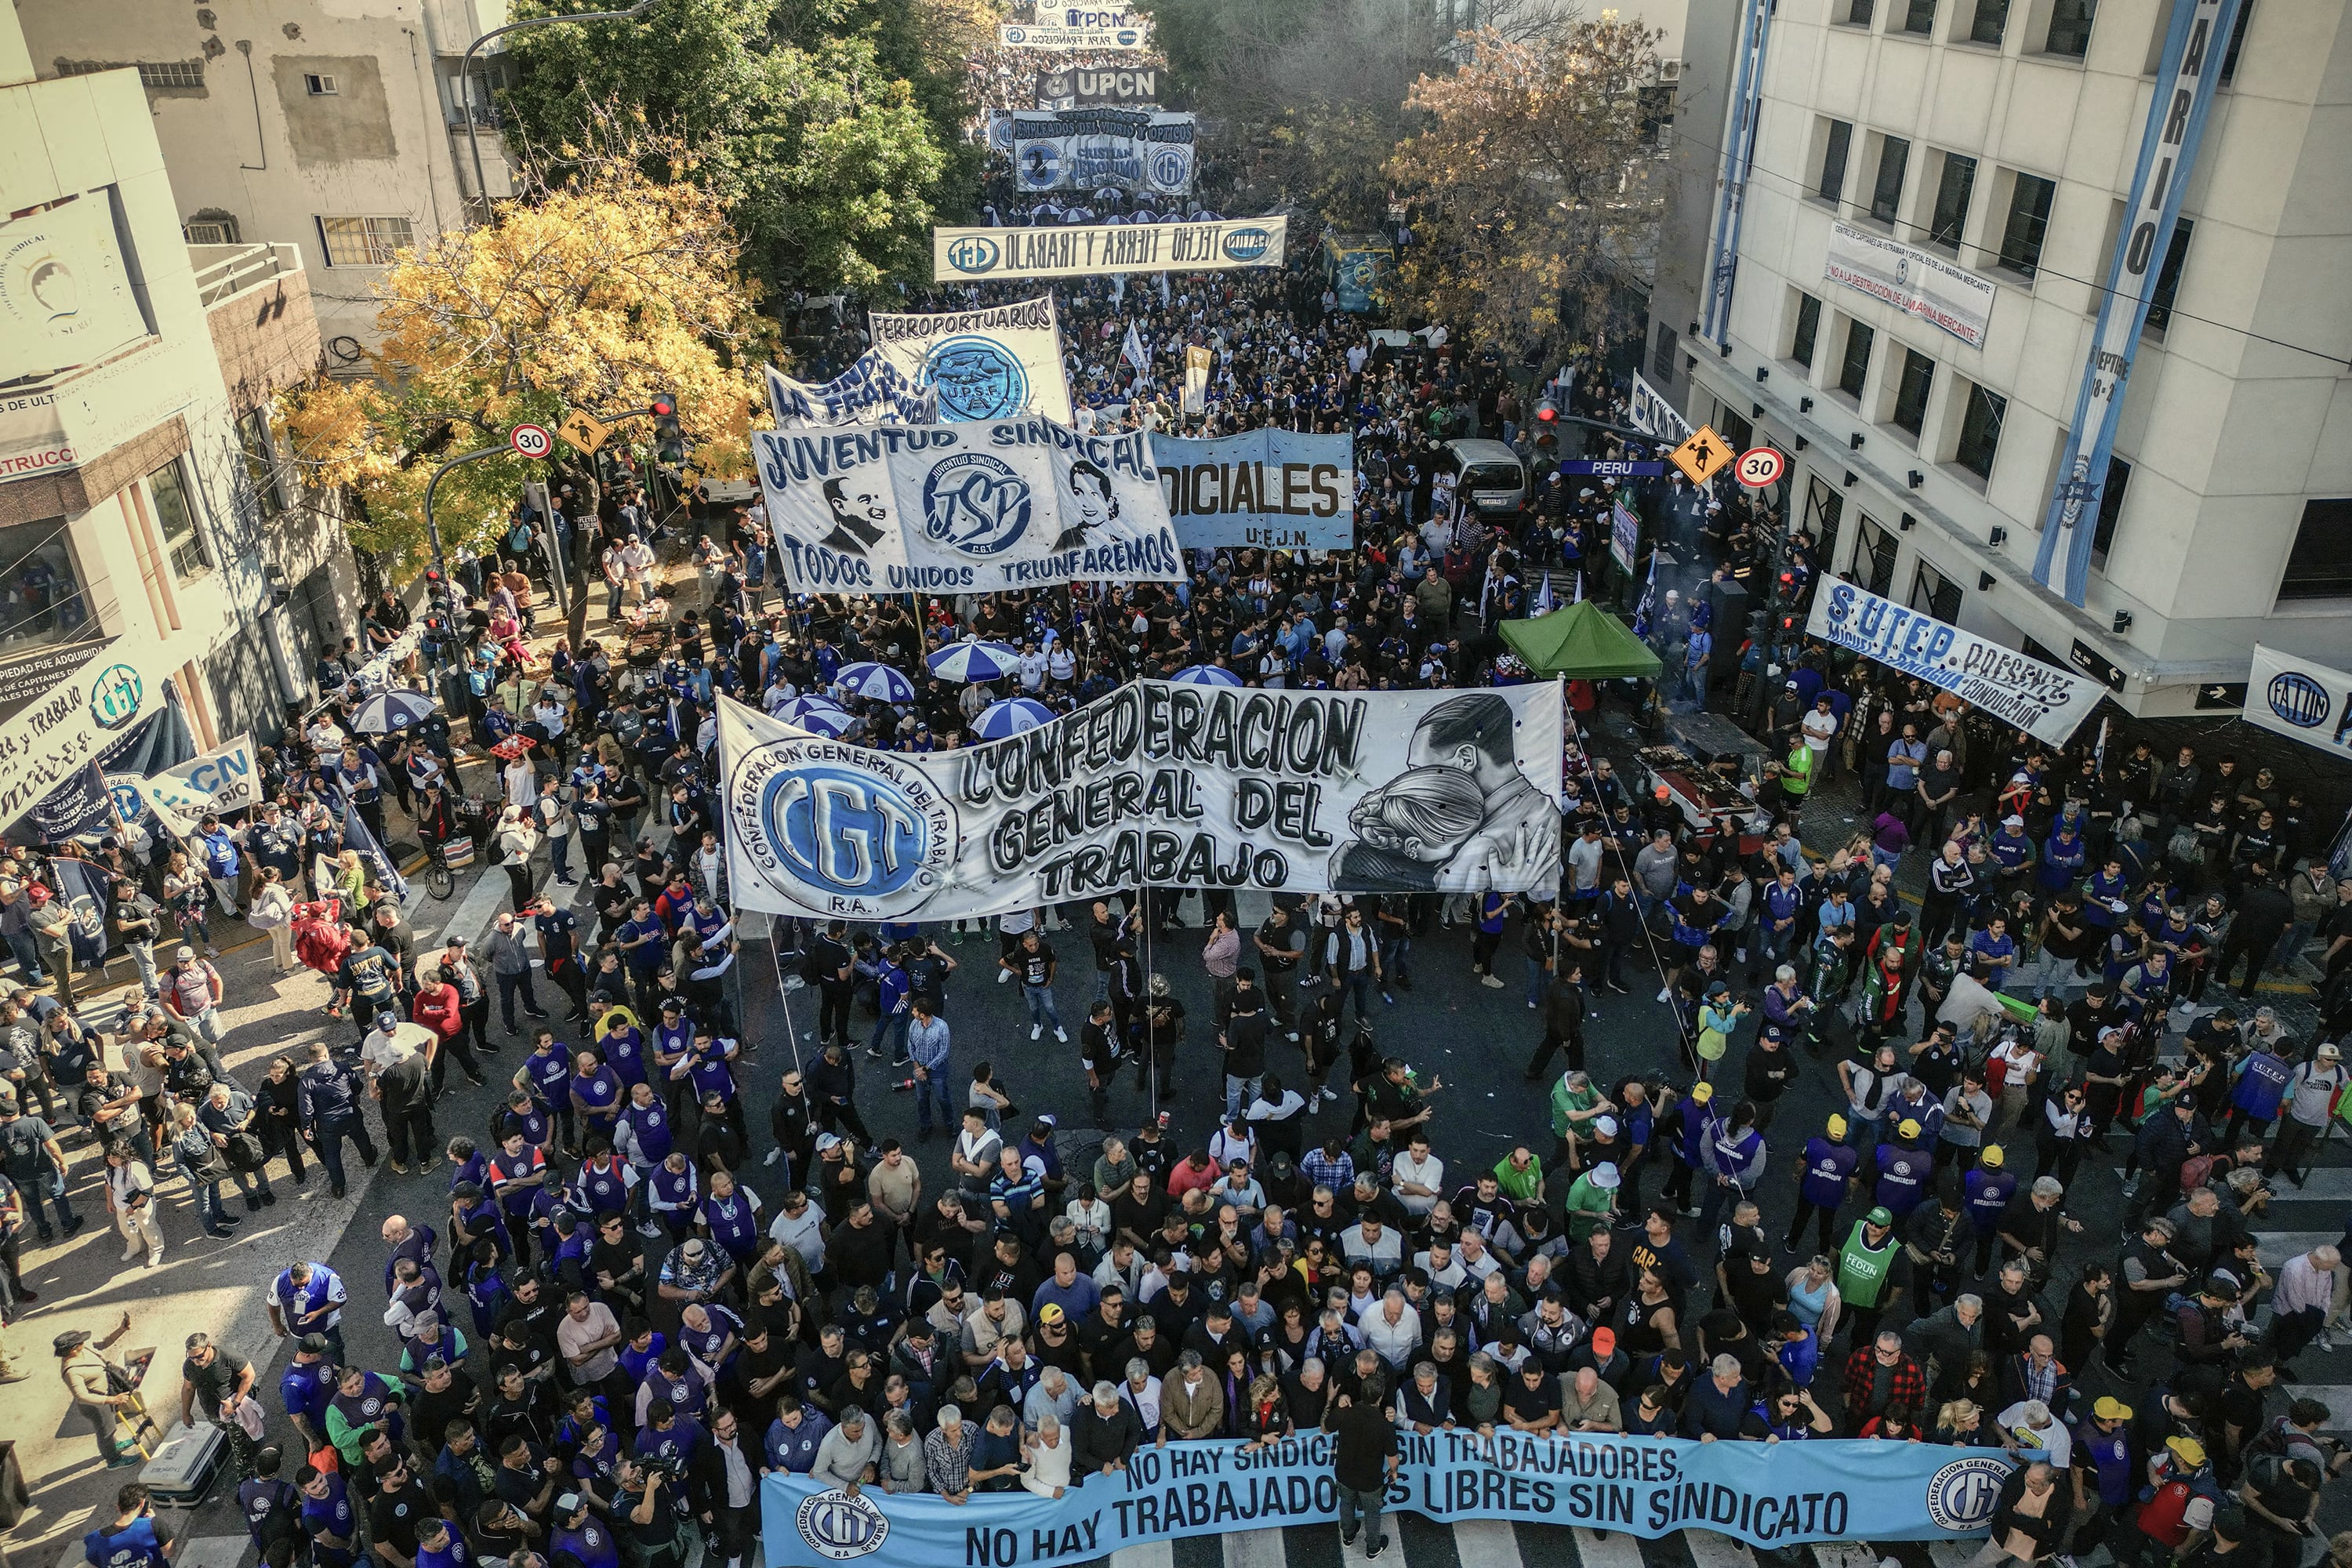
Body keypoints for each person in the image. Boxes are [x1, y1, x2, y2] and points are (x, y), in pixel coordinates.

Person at [1324, 1367, 1400, 1558]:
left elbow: (1325, 1427)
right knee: (1372, 1513)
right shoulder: (1385, 1425)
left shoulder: (1345, 1413)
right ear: (1380, 1397)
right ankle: (1373, 1547)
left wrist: (1330, 1401)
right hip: (1370, 1480)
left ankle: (1348, 1535)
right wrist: (1394, 1471)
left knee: (1346, 1503)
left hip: (1344, 1473)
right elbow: (1393, 1457)